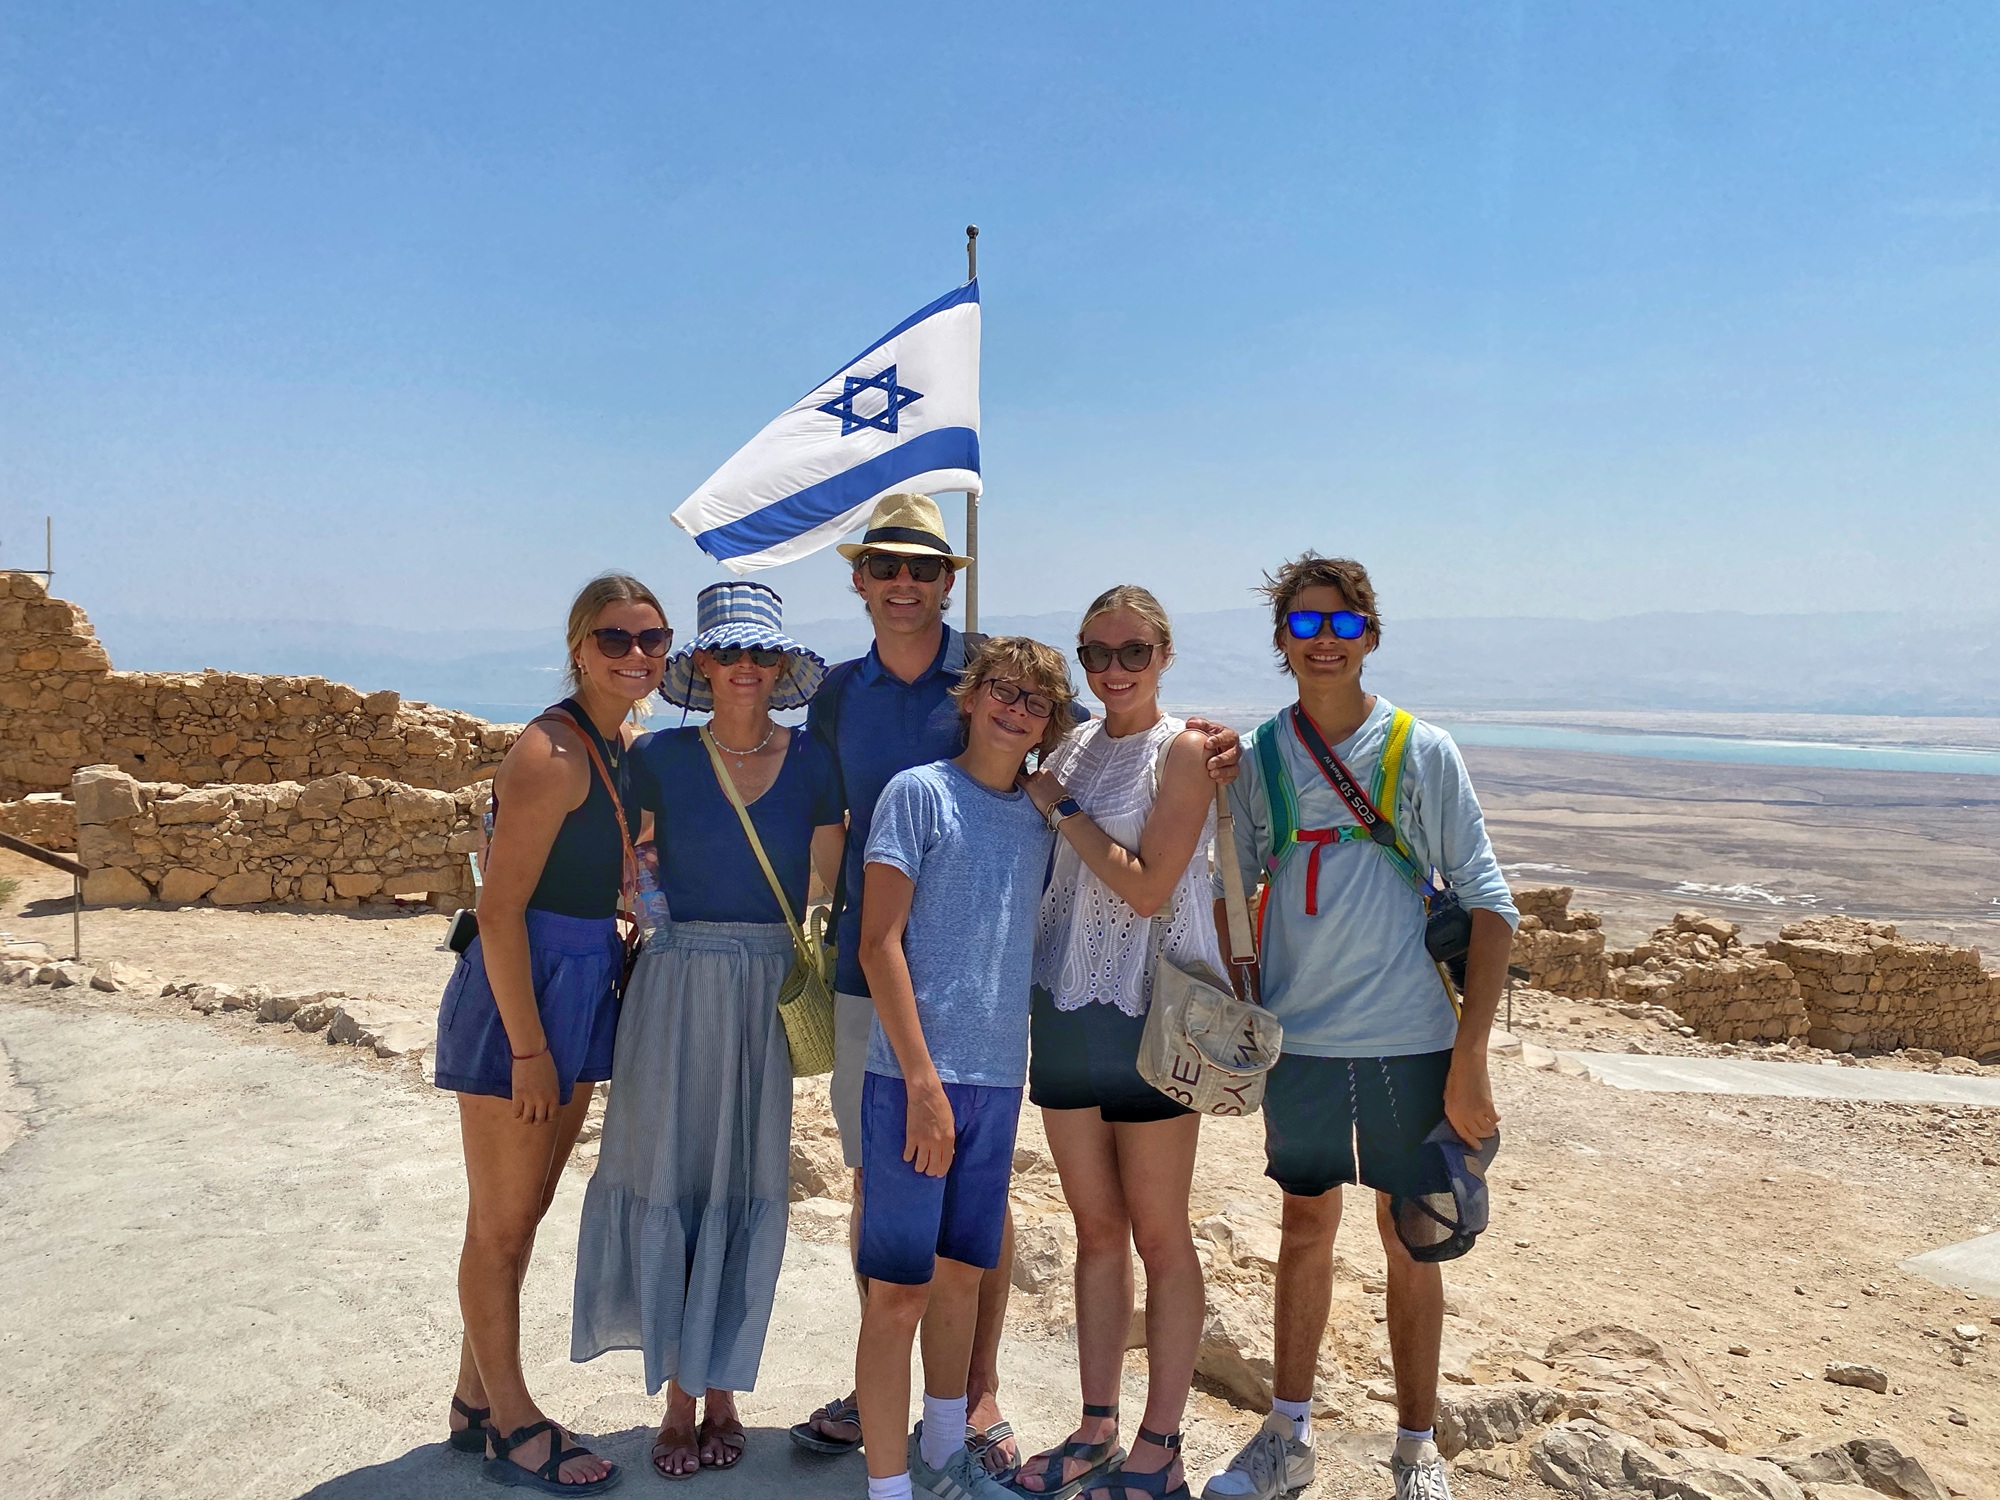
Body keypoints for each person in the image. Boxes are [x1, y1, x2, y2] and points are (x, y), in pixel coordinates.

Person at [794, 494, 1243, 1473]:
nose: (905, 581)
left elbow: (1121, 782)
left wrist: (1213, 746)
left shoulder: (1015, 688)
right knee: (890, 1196)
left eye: (924, 566)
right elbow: (813, 808)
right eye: (886, 565)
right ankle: (895, 1396)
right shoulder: (837, 694)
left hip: (1058, 1025)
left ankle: (983, 1397)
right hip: (901, 991)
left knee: (998, 1217)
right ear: (860, 579)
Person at [1200, 555, 1517, 1500]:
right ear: (1282, 642)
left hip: (1410, 1040)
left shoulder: (1421, 750)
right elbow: (1232, 882)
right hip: (1301, 1041)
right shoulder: (1263, 755)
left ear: (1370, 635)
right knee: (1304, 1226)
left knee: (1413, 1235)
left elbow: (1490, 905)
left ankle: (1416, 1451)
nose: (1324, 641)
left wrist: (1471, 1062)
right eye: (1304, 625)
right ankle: (1287, 1436)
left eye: (1342, 624)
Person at [570, 580, 843, 1479]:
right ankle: (679, 1399)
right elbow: (617, 853)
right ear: (703, 665)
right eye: (728, 652)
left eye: (759, 652)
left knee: (746, 1182)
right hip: (677, 980)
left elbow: (833, 880)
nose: (744, 668)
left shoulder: (814, 759)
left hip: (766, 986)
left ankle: (723, 1390)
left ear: (780, 663)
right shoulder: (659, 756)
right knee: (672, 1175)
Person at [433, 572, 671, 1495]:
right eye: (615, 638)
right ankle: (514, 1423)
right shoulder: (550, 753)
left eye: (652, 639)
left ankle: (473, 1400)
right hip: (523, 997)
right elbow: (498, 913)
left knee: (524, 1213)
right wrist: (528, 1051)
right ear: (579, 648)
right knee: (499, 1225)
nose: (635, 655)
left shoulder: (619, 747)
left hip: (578, 983)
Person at [1012, 586, 1222, 1500]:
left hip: (1147, 1012)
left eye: (1133, 651)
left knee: (1161, 1234)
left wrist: (1060, 809)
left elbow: (1146, 888)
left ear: (1164, 655)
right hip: (1063, 1006)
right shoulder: (1067, 747)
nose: (1114, 669)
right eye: (1096, 653)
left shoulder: (1184, 752)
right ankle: (1096, 1428)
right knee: (1095, 1231)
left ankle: (1159, 1448)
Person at [853, 637, 1075, 1500]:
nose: (1016, 710)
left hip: (997, 1080)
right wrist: (921, 1083)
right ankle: (888, 1489)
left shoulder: (1039, 821)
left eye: (1035, 702)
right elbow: (878, 944)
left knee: (958, 1282)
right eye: (1003, 692)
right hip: (916, 1081)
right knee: (897, 1297)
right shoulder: (918, 795)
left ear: (1048, 724)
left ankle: (944, 1458)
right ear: (971, 698)